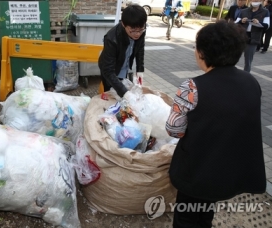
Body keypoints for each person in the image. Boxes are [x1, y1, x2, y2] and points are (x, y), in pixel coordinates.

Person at [165, 21, 266, 228]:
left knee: (186, 218)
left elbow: (174, 129)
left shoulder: (191, 87)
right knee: (205, 212)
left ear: (202, 53)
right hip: (228, 170)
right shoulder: (251, 82)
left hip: (197, 170)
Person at [98, 4, 147, 98]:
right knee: (111, 95)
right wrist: (124, 93)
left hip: (124, 65)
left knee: (123, 88)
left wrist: (140, 69)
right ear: (123, 24)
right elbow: (108, 70)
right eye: (133, 30)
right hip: (110, 69)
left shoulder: (141, 27)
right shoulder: (112, 38)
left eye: (140, 30)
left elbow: (140, 48)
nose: (137, 34)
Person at [235, 0, 270, 72]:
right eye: (253, 0)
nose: (255, 1)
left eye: (256, 0)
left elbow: (267, 25)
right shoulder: (244, 11)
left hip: (253, 38)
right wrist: (241, 21)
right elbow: (235, 23)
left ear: (261, 1)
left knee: (248, 60)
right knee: (234, 56)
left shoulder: (265, 12)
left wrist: (259, 23)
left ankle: (246, 76)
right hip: (241, 37)